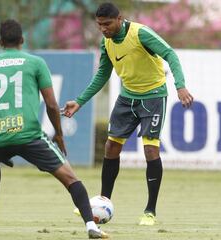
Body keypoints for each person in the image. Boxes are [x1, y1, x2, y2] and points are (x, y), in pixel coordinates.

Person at [0, 19, 108, 239]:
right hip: (30, 136)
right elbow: (51, 104)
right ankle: (91, 226)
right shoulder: (36, 63)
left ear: (0, 41)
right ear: (22, 40)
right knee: (71, 179)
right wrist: (58, 134)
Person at [63, 2, 193, 226]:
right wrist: (80, 101)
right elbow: (102, 74)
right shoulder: (106, 42)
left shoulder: (140, 33)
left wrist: (180, 86)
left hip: (153, 96)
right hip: (127, 98)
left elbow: (170, 54)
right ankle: (102, 202)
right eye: (100, 25)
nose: (103, 29)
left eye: (107, 24)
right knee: (111, 146)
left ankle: (150, 211)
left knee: (150, 149)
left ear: (119, 19)